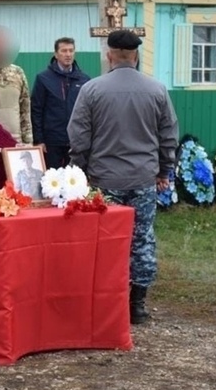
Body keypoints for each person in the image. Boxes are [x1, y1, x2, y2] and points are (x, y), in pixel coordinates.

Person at [68, 30, 178, 325]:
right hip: (143, 178)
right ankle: (137, 305)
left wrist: (79, 170)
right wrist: (164, 170)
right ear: (136, 56)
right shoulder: (157, 90)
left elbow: (79, 136)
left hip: (104, 180)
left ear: (110, 55)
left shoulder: (91, 90)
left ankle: (107, 302)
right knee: (142, 238)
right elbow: (168, 135)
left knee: (106, 241)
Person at [31, 37, 91, 168]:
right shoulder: (43, 79)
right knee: (53, 177)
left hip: (77, 141)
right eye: (64, 51)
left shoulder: (84, 79)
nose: (68, 54)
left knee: (76, 177)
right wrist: (39, 140)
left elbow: (89, 111)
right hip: (52, 141)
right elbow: (36, 110)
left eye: (71, 50)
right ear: (56, 54)